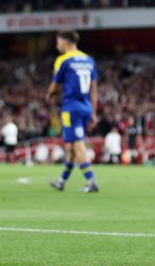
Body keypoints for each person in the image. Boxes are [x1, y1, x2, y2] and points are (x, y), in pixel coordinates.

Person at [48, 30, 100, 193]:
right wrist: (94, 112)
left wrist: (48, 94)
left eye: (58, 41)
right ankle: (62, 181)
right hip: (86, 107)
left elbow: (55, 86)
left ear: (65, 42)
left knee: (77, 144)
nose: (57, 45)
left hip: (71, 108)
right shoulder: (89, 60)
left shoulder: (63, 60)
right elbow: (94, 89)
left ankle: (91, 181)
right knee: (71, 146)